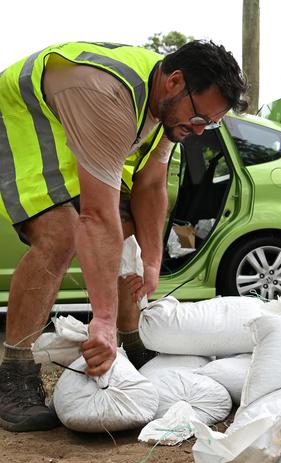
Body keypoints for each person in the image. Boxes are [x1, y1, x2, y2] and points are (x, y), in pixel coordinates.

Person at [0, 40, 248, 432]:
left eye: (209, 124)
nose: (199, 130)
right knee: (60, 233)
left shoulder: (170, 106)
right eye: (199, 118)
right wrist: (100, 318)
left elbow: (150, 185)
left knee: (125, 226)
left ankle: (131, 343)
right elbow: (95, 218)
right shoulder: (107, 96)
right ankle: (14, 372)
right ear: (175, 82)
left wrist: (151, 262)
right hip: (21, 119)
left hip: (77, 122)